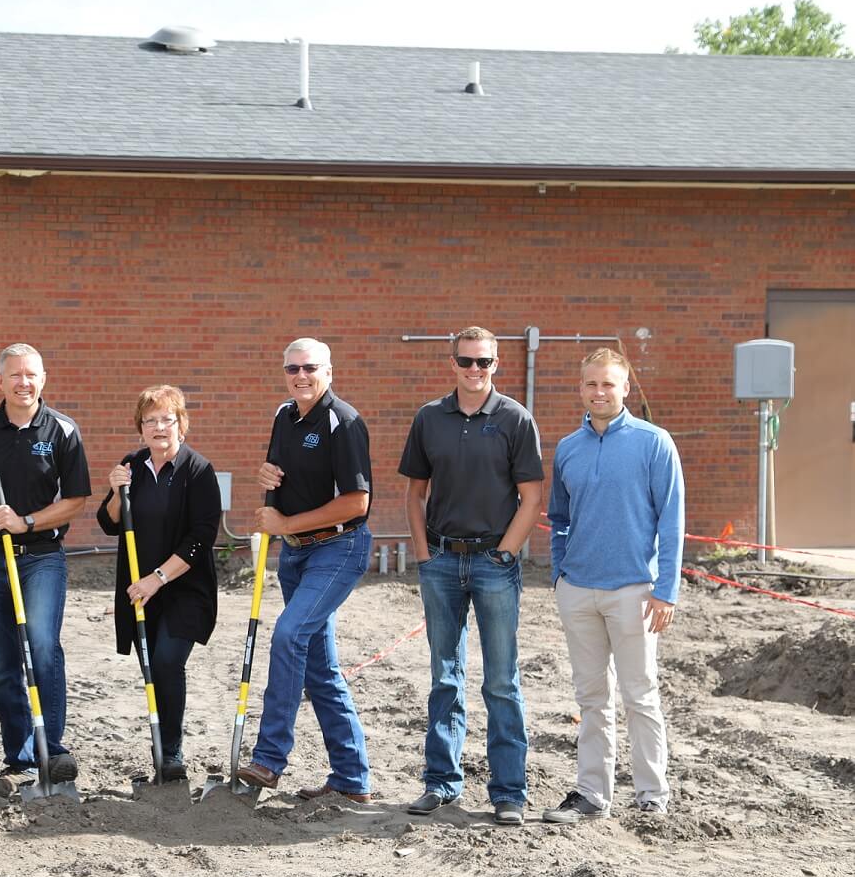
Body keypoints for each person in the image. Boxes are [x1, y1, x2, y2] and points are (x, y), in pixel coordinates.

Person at [399, 325, 544, 826]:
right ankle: (441, 783)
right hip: (440, 561)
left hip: (493, 565)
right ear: (452, 364)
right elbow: (415, 494)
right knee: (445, 677)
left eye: (484, 362)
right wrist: (423, 554)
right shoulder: (428, 419)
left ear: (497, 364)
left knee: (501, 681)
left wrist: (506, 554)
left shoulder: (515, 419)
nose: (475, 370)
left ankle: (509, 791)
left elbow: (532, 499)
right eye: (466, 362)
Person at [544, 348, 683, 822]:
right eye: (591, 384)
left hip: (635, 592)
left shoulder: (654, 442)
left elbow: (672, 521)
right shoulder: (568, 448)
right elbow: (558, 519)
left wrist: (666, 590)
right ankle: (591, 795)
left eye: (609, 384)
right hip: (578, 590)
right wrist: (560, 573)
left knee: (640, 695)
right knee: (590, 698)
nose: (599, 392)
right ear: (580, 389)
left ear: (626, 388)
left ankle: (652, 795)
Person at [235, 338, 376, 802]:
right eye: (292, 368)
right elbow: (280, 469)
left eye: (309, 368)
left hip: (338, 549)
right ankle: (351, 780)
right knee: (319, 668)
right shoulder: (284, 415)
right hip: (295, 554)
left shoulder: (344, 421)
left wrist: (287, 522)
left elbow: (357, 502)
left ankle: (270, 759)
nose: (300, 376)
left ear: (329, 371)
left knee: (288, 635)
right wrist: (268, 478)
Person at [0, 343, 92, 797]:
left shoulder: (62, 430)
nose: (23, 382)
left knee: (41, 646)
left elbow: (75, 500)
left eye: (31, 374)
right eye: (14, 375)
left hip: (40, 558)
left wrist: (27, 522)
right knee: (1, 665)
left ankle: (51, 751)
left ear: (44, 378)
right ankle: (18, 759)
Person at [96, 385, 222, 782]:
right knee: (152, 667)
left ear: (181, 424)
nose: (158, 427)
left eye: (167, 419)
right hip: (139, 591)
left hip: (183, 587)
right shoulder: (131, 466)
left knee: (168, 661)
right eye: (149, 421)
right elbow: (108, 522)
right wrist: (118, 491)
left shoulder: (197, 470)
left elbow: (202, 537)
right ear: (140, 429)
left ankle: (171, 751)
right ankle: (160, 747)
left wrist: (157, 578)